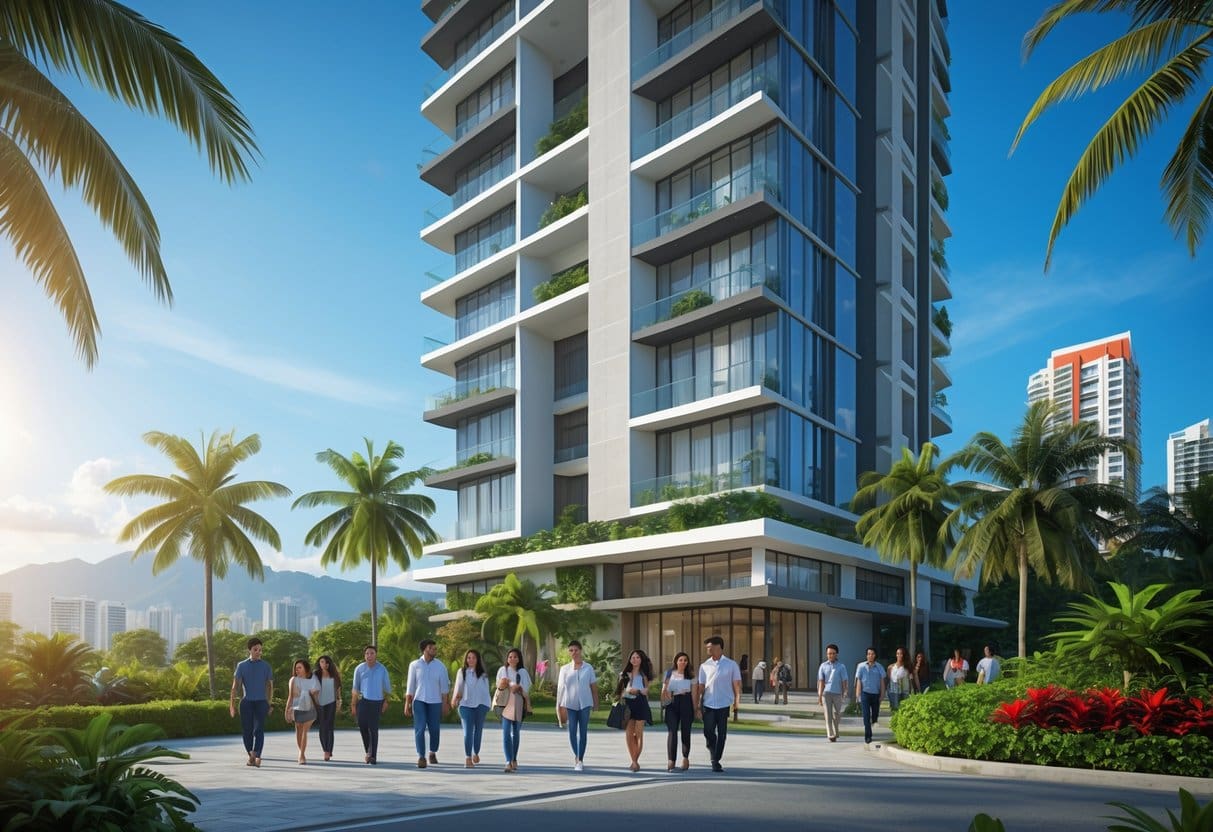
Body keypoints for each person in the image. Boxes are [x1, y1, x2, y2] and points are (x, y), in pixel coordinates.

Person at [695, 635, 741, 773]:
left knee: (722, 734)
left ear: (718, 647)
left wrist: (737, 703)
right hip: (708, 704)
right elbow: (701, 687)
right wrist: (697, 705)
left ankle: (715, 760)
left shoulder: (731, 664)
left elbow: (737, 685)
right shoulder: (704, 666)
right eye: (707, 647)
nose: (707, 650)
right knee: (708, 731)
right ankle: (713, 751)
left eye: (709, 647)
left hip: (724, 704)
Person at [404, 638, 451, 769]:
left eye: (435, 648)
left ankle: (432, 752)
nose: (434, 650)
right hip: (419, 701)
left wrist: (445, 703)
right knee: (419, 729)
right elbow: (410, 686)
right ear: (424, 649)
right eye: (431, 648)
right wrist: (407, 703)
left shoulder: (440, 666)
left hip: (435, 702)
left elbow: (444, 688)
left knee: (434, 729)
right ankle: (421, 756)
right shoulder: (414, 665)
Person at [230, 637, 273, 767]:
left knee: (259, 729)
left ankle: (257, 754)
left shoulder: (266, 666)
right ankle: (251, 754)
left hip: (261, 702)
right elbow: (235, 687)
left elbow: (270, 686)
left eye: (260, 650)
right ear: (249, 650)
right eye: (255, 650)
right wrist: (231, 705)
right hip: (246, 703)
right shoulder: (241, 666)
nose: (258, 652)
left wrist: (269, 703)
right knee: (247, 731)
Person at [556, 640, 599, 771]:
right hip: (569, 704)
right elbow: (560, 689)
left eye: (576, 650)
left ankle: (580, 759)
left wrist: (596, 703)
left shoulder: (588, 668)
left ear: (580, 651)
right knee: (572, 731)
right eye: (571, 650)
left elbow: (593, 687)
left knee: (583, 732)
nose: (574, 652)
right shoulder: (564, 669)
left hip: (585, 703)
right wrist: (558, 705)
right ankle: (577, 757)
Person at [350, 644, 391, 765]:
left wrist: (386, 702)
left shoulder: (382, 669)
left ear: (376, 655)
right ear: (364, 655)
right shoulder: (359, 669)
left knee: (373, 728)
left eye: (372, 653)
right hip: (363, 701)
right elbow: (355, 688)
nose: (369, 655)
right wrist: (353, 705)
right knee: (362, 726)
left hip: (377, 701)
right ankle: (368, 751)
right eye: (367, 653)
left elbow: (387, 688)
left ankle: (373, 756)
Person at [451, 648, 491, 769]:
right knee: (468, 732)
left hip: (481, 705)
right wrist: (454, 699)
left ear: (477, 659)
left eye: (473, 657)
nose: (471, 660)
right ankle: (468, 757)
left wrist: (487, 705)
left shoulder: (483, 674)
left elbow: (486, 691)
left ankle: (476, 752)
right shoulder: (462, 671)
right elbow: (458, 686)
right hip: (465, 705)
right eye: (469, 658)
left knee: (478, 731)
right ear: (466, 659)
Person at [615, 649, 654, 772]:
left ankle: (635, 761)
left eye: (637, 657)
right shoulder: (623, 675)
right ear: (630, 659)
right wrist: (629, 690)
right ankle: (634, 761)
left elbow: (646, 692)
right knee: (629, 734)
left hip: (641, 704)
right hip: (628, 705)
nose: (635, 659)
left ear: (641, 660)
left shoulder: (644, 676)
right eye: (633, 657)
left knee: (638, 734)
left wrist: (644, 691)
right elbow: (619, 693)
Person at [495, 647, 531, 772]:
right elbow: (498, 685)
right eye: (510, 656)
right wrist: (507, 684)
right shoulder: (502, 670)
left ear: (519, 658)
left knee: (516, 732)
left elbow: (526, 689)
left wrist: (518, 688)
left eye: (515, 656)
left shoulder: (523, 672)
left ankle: (514, 758)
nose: (512, 659)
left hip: (519, 703)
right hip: (505, 704)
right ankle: (507, 761)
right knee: (505, 732)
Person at [660, 651, 696, 772]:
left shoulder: (691, 675)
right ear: (676, 661)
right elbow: (664, 689)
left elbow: (694, 694)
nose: (683, 662)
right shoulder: (669, 673)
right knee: (672, 731)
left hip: (686, 702)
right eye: (680, 660)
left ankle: (685, 758)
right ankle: (671, 760)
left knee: (686, 731)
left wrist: (696, 709)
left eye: (685, 660)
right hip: (672, 703)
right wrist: (665, 699)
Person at [285, 658, 320, 764]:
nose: (297, 670)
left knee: (305, 730)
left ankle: (301, 755)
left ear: (305, 668)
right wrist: (287, 710)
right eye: (296, 669)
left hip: (310, 708)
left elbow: (318, 694)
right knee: (299, 730)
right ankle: (301, 752)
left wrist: (314, 692)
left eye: (299, 668)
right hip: (297, 708)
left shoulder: (313, 679)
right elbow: (290, 696)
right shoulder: (293, 680)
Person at [816, 643, 848, 743]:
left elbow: (844, 681)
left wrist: (845, 692)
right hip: (826, 693)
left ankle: (836, 731)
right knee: (828, 715)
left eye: (833, 653)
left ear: (836, 654)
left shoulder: (841, 667)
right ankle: (830, 734)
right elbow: (821, 681)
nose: (831, 655)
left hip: (838, 693)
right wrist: (820, 695)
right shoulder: (823, 666)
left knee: (837, 714)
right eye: (829, 653)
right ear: (827, 654)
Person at [313, 655, 342, 761]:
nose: (323, 664)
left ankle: (329, 750)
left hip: (331, 703)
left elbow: (338, 690)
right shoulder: (316, 674)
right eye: (321, 662)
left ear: (329, 664)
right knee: (323, 726)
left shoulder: (334, 675)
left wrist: (339, 701)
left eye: (325, 662)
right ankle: (325, 750)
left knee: (330, 727)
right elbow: (312, 688)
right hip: (320, 703)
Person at [854, 647, 885, 744]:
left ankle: (873, 720)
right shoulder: (861, 666)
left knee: (875, 715)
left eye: (872, 654)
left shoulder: (879, 667)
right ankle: (868, 735)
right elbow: (858, 681)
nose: (870, 655)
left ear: (875, 655)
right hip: (865, 694)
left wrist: (882, 695)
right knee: (866, 715)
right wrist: (857, 695)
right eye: (868, 654)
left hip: (875, 694)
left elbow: (882, 682)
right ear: (866, 655)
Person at [886, 647, 912, 712]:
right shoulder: (891, 667)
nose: (899, 655)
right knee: (895, 709)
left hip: (905, 691)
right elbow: (889, 680)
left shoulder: (907, 667)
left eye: (901, 654)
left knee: (905, 709)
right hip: (894, 691)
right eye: (898, 653)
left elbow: (910, 680)